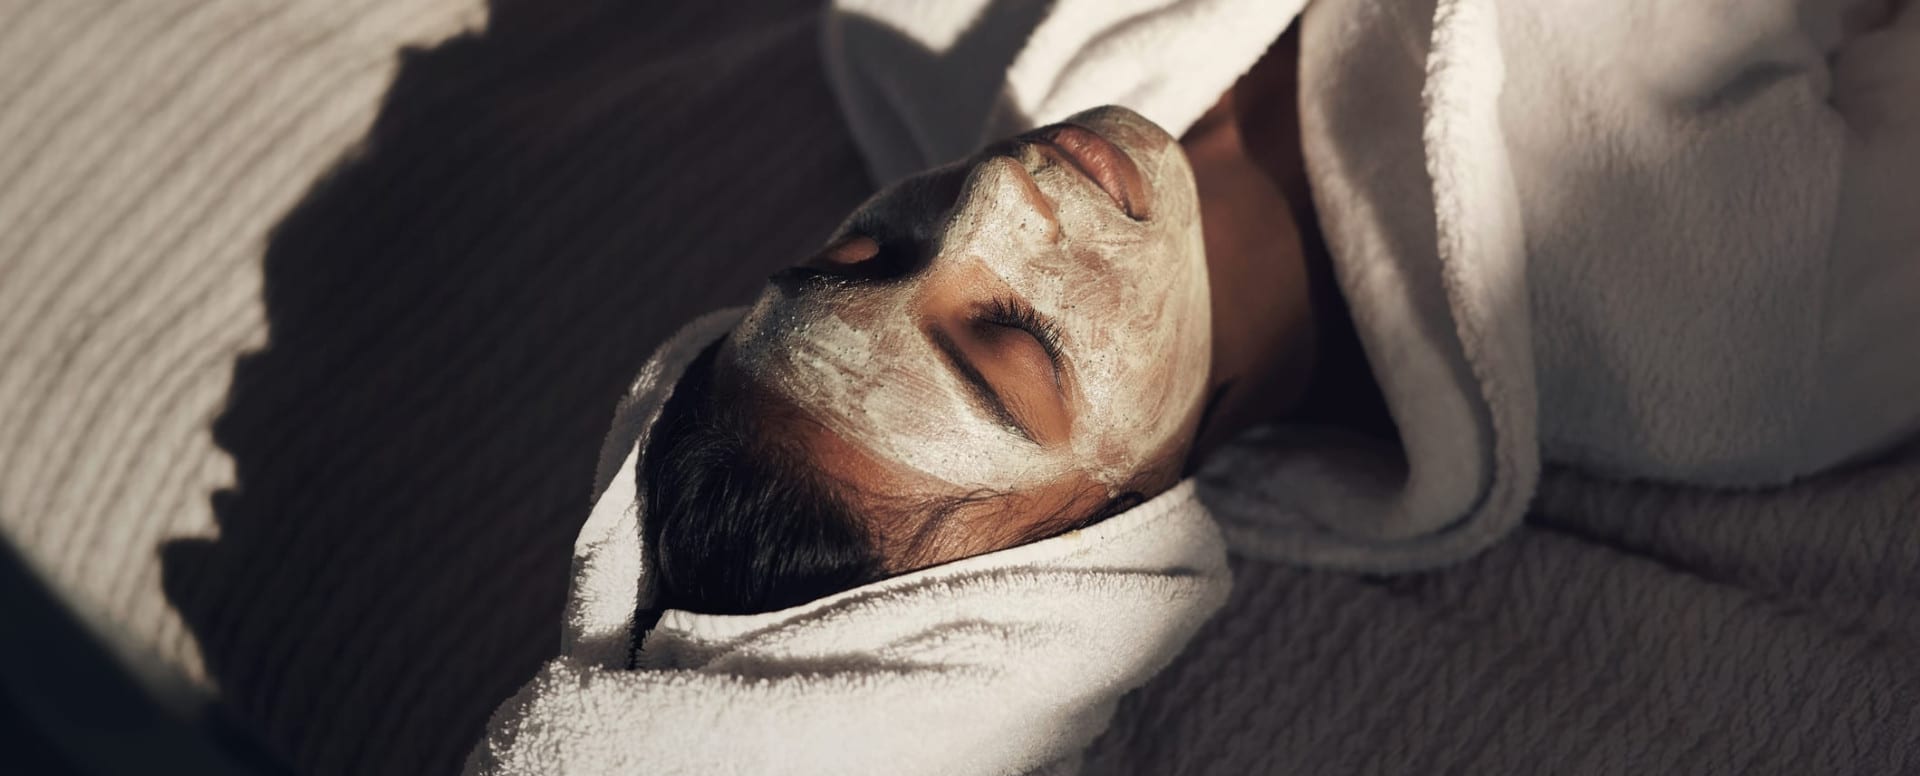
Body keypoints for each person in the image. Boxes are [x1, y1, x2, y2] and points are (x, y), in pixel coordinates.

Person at [641, 0, 1920, 616]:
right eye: (1010, 340)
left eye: (867, 249)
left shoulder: (933, 26)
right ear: (1121, 533)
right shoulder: (1732, 332)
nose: (988, 200)